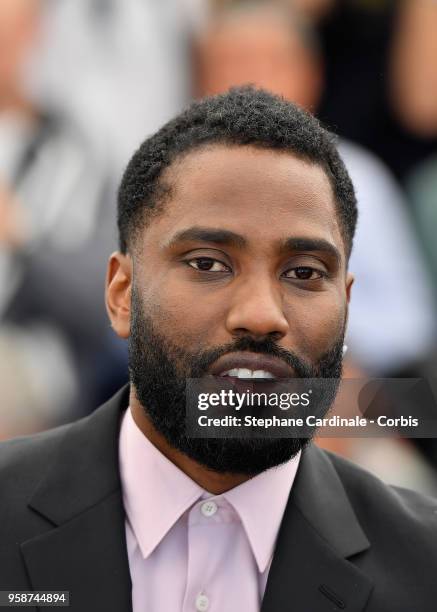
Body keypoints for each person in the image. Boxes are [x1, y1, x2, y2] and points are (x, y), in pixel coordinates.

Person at [1, 87, 437, 611]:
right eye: (208, 263)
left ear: (345, 305)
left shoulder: (424, 567)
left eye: (304, 273)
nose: (261, 314)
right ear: (121, 295)